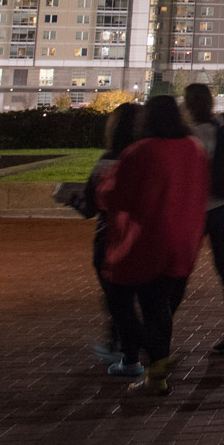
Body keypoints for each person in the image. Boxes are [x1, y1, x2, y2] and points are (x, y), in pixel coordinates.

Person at [96, 94, 209, 396]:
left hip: (147, 241)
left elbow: (116, 196)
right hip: (184, 239)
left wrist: (101, 187)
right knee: (159, 306)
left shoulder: (140, 151)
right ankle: (157, 375)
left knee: (120, 299)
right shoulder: (194, 148)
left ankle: (154, 356)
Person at [79, 102, 143, 375]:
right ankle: (133, 344)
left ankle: (128, 348)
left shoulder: (108, 160)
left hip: (109, 238)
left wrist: (70, 198)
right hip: (142, 236)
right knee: (142, 296)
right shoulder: (146, 158)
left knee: (117, 297)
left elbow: (89, 205)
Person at [183, 83, 224, 354]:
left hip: (199, 209)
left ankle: (156, 337)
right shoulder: (222, 126)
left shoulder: (191, 134)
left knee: (179, 269)